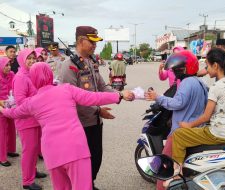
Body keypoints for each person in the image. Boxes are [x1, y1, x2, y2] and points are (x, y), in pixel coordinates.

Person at [0, 62, 134, 190]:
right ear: (50, 75)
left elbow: (14, 113)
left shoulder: (32, 102)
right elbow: (94, 98)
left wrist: (2, 110)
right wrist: (119, 95)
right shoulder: (66, 89)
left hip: (52, 152)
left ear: (33, 79)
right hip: (75, 148)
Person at [168, 48, 225, 188]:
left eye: (207, 66)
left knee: (179, 135)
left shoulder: (216, 87)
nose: (206, 69)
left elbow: (205, 116)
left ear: (215, 66)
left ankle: (176, 174)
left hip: (218, 134)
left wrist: (188, 125)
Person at [59, 26, 117, 190]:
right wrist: (98, 110)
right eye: (91, 41)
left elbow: (102, 86)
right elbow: (71, 99)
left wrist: (121, 95)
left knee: (96, 157)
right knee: (82, 162)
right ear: (80, 41)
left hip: (94, 121)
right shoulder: (68, 66)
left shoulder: (90, 62)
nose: (94, 45)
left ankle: (89, 184)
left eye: (95, 42)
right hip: (79, 124)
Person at [145, 50, 208, 190]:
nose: (174, 70)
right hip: (195, 130)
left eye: (177, 68)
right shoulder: (200, 82)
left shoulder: (186, 82)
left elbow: (178, 103)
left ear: (186, 68)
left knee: (165, 166)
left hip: (180, 132)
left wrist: (158, 97)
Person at [14, 49, 46, 190]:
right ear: (22, 60)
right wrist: (38, 99)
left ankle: (32, 171)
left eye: (34, 58)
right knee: (29, 151)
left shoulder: (30, 74)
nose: (32, 61)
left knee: (34, 149)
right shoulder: (20, 77)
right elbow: (20, 101)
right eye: (29, 58)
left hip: (35, 118)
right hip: (26, 121)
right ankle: (27, 181)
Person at [0, 57, 18, 167]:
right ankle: (2, 157)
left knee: (11, 128)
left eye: (9, 65)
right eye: (5, 65)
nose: (8, 67)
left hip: (10, 106)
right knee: (2, 132)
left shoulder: (12, 75)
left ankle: (10, 149)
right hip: (0, 108)